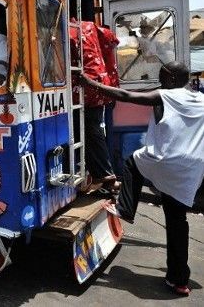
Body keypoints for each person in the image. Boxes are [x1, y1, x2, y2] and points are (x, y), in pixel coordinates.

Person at [77, 61, 204, 296]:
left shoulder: (167, 95)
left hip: (167, 162)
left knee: (132, 161)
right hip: (191, 168)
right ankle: (180, 280)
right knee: (178, 222)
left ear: (174, 80)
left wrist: (90, 83)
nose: (160, 79)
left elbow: (125, 94)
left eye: (163, 76)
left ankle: (125, 208)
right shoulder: (200, 99)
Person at [71, 22, 121, 194]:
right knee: (95, 132)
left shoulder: (71, 27)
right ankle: (101, 176)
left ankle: (104, 177)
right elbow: (112, 49)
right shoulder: (96, 29)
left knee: (85, 133)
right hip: (101, 85)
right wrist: (114, 88)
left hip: (84, 86)